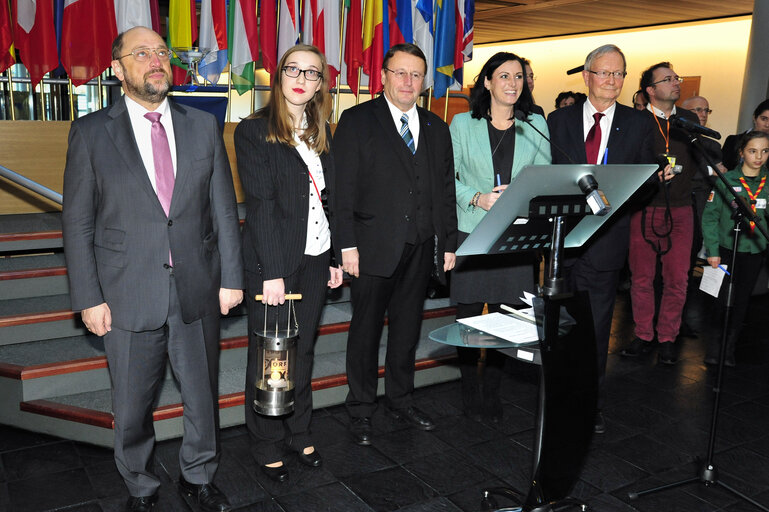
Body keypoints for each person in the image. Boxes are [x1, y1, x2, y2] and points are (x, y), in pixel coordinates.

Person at [62, 27, 244, 512]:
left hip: (196, 285)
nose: (155, 60)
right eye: (141, 54)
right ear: (117, 68)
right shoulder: (90, 132)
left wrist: (231, 279)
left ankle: (199, 475)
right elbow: (77, 222)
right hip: (125, 292)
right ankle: (140, 484)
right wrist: (87, 297)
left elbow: (223, 210)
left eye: (161, 52)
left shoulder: (202, 126)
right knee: (133, 405)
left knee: (202, 395)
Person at [333, 43, 458, 445]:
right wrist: (346, 246)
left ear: (425, 82)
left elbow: (443, 192)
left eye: (416, 75)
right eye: (400, 73)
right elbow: (342, 190)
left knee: (407, 330)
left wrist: (448, 244)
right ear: (383, 76)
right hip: (370, 248)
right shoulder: (356, 121)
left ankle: (401, 400)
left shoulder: (437, 127)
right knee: (365, 332)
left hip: (421, 246)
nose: (408, 81)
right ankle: (361, 408)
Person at [234, 44, 344, 483]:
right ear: (279, 76)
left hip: (317, 258)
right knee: (268, 355)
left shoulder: (323, 133)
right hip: (272, 263)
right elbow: (260, 207)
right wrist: (275, 273)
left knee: (305, 350)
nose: (301, 77)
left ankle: (299, 430)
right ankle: (264, 440)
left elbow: (331, 201)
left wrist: (335, 256)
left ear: (320, 84)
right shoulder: (254, 131)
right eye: (293, 69)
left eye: (312, 72)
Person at [547, 44, 656, 434]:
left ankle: (589, 405)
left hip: (607, 240)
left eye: (619, 74)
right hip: (563, 239)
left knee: (595, 328)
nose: (612, 81)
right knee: (559, 326)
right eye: (604, 73)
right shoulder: (556, 121)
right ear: (586, 76)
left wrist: (623, 190)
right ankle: (558, 397)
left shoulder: (639, 124)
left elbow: (647, 182)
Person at [450, 52, 551, 422]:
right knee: (469, 315)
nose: (512, 83)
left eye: (519, 77)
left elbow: (545, 178)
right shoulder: (462, 124)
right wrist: (478, 197)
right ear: (488, 82)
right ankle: (467, 389)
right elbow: (450, 178)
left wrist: (520, 198)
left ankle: (491, 390)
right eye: (504, 76)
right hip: (473, 228)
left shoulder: (535, 123)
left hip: (516, 234)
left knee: (505, 317)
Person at [622, 62, 700, 365]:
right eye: (667, 80)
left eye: (676, 78)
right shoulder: (636, 122)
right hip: (644, 209)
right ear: (650, 91)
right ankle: (643, 335)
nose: (675, 83)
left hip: (681, 208)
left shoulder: (690, 121)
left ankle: (668, 336)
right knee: (642, 278)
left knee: (678, 279)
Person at [702, 131, 769, 367]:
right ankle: (713, 347)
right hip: (725, 248)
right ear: (741, 153)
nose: (759, 157)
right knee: (720, 300)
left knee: (741, 302)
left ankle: (729, 349)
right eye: (753, 151)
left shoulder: (767, 183)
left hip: (753, 251)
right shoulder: (727, 180)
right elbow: (710, 217)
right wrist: (712, 250)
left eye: (765, 151)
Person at [722, 99, 769, 170]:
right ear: (754, 118)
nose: (767, 125)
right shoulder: (733, 141)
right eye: (764, 119)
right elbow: (722, 170)